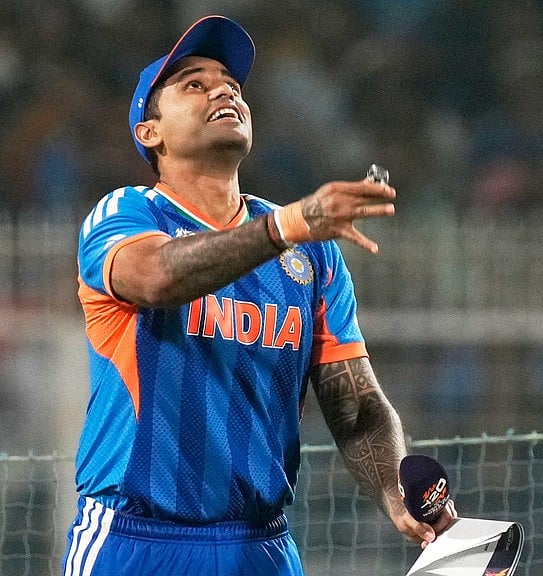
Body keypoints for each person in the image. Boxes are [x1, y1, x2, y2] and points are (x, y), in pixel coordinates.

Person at [62, 15, 454, 576]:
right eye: (193, 84)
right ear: (151, 133)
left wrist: (395, 491)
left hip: (260, 544)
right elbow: (157, 279)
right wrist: (285, 228)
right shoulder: (128, 213)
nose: (223, 88)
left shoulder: (311, 251)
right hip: (135, 539)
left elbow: (354, 400)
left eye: (231, 83)